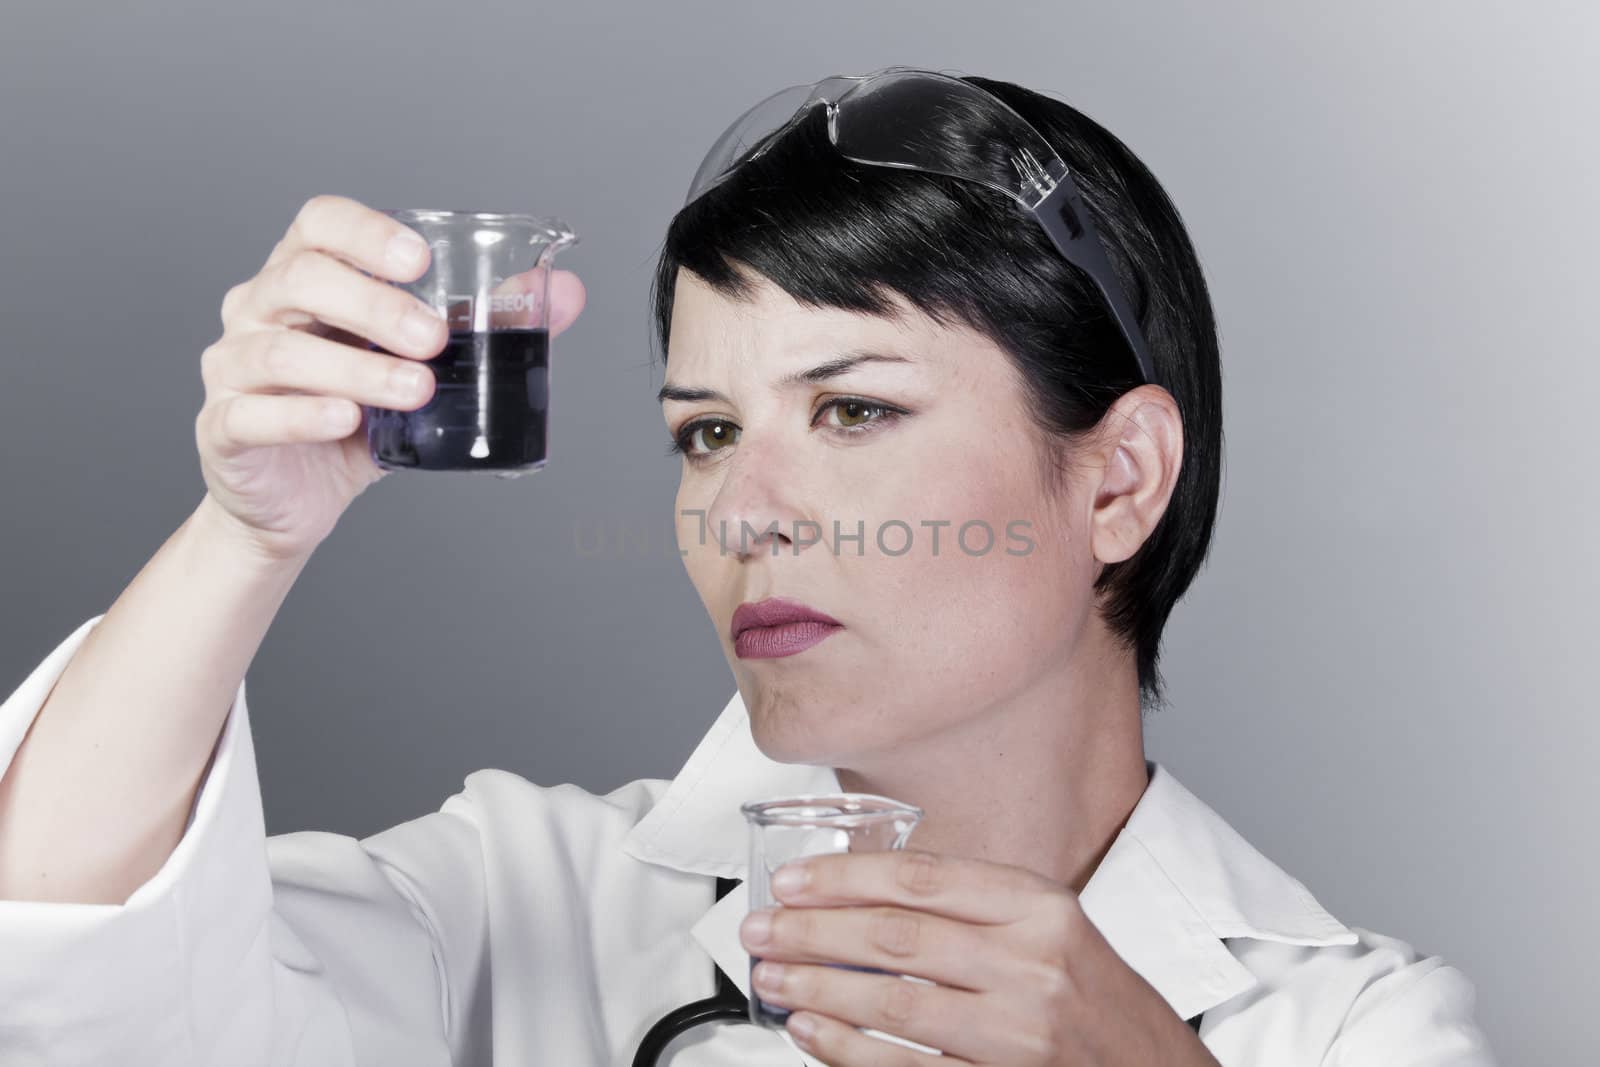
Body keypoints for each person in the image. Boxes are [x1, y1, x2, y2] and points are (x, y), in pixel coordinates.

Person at [0, 71, 1497, 1066]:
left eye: (853, 410)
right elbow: (64, 969)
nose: (745, 509)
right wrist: (245, 534)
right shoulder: (528, 905)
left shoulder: (1353, 1024)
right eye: (705, 431)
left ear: (1118, 480)